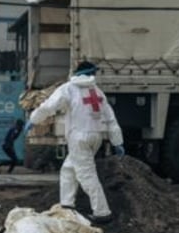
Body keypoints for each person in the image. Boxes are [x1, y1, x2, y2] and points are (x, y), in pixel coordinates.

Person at [27, 61, 124, 224]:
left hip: (79, 137)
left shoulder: (68, 89)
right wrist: (117, 141)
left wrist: (33, 119)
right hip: (96, 136)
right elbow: (110, 118)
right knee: (69, 169)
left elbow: (48, 107)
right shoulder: (97, 91)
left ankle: (102, 212)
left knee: (87, 175)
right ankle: (67, 204)